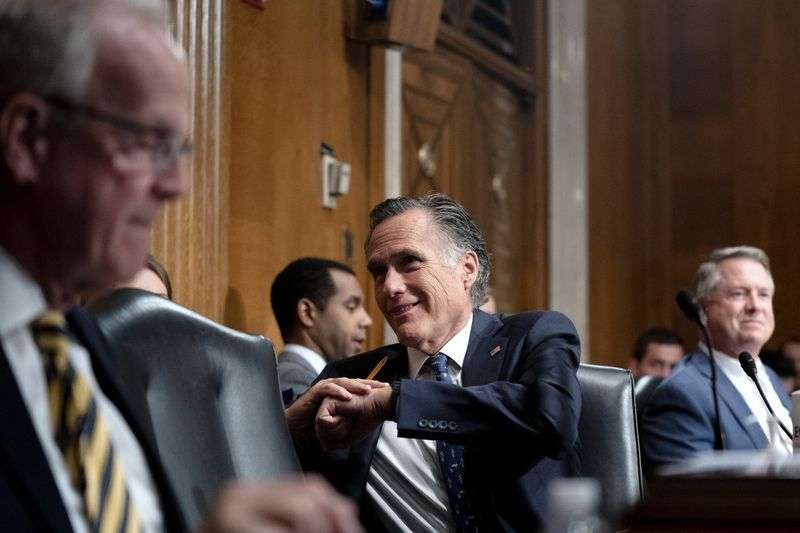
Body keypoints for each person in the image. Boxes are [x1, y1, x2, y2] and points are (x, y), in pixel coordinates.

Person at [0, 2, 362, 532]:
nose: (176, 185)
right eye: (147, 142)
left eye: (179, 149)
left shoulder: (76, 346)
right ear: (28, 138)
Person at [302, 194, 582, 532]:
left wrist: (395, 403)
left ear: (467, 268)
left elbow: (552, 418)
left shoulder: (532, 335)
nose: (390, 286)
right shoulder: (351, 378)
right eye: (379, 271)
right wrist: (292, 425)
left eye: (409, 262)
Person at [641, 246, 792, 471]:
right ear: (702, 308)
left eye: (763, 294)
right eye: (739, 294)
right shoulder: (682, 393)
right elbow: (689, 499)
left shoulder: (769, 376)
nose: (755, 306)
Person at [271, 257, 373, 403]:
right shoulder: (294, 379)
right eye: (351, 306)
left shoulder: (311, 376)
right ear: (307, 313)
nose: (367, 321)